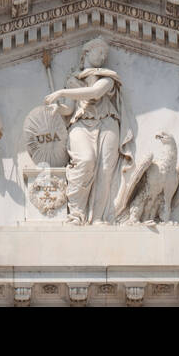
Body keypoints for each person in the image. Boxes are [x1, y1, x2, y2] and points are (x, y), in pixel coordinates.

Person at [44, 37, 133, 224]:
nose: (103, 57)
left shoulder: (108, 78)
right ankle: (76, 214)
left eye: (105, 54)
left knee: (105, 170)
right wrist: (58, 109)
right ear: (86, 53)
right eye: (99, 52)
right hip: (81, 123)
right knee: (86, 160)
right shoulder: (73, 80)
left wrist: (61, 93)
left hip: (107, 123)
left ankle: (99, 217)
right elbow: (69, 109)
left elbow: (94, 93)